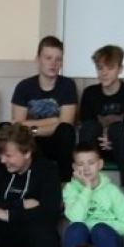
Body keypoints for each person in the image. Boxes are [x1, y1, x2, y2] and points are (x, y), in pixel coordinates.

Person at [78, 44, 124, 204]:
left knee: (119, 129)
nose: (104, 73)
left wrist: (112, 140)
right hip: (97, 147)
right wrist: (104, 139)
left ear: (120, 69)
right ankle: (85, 183)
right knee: (88, 128)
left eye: (109, 68)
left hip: (123, 146)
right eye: (100, 68)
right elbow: (87, 126)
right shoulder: (90, 93)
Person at [62, 142, 124, 247]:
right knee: (76, 229)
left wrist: (100, 225)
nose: (86, 168)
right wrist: (87, 188)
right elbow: (76, 218)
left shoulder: (113, 191)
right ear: (74, 167)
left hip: (108, 239)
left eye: (91, 163)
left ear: (100, 164)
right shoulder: (70, 189)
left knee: (100, 230)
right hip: (81, 240)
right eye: (81, 164)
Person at [10, 35, 79, 179]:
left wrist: (30, 127)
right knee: (6, 131)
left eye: (58, 59)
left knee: (66, 132)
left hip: (57, 143)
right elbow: (18, 127)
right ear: (38, 59)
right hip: (33, 143)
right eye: (48, 58)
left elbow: (65, 124)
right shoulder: (24, 87)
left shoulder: (68, 85)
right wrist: (54, 120)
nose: (53, 63)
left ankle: (64, 186)